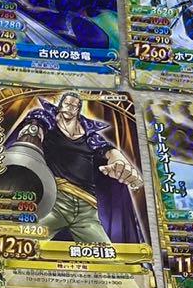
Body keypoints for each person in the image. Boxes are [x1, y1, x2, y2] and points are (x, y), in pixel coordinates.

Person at [11, 92, 144, 245]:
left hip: (87, 210)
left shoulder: (89, 136)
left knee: (107, 254)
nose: (70, 108)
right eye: (67, 104)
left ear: (78, 109)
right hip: (56, 201)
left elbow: (108, 150)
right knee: (21, 244)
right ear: (60, 105)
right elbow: (36, 124)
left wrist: (119, 160)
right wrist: (32, 131)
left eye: (74, 106)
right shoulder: (47, 122)